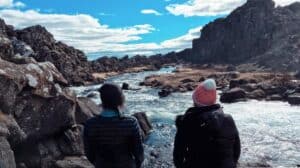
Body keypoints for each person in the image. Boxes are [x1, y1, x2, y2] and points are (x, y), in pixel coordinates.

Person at [173, 79, 241, 168]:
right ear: (213, 100)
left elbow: (178, 155)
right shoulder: (228, 119)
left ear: (195, 102)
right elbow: (236, 150)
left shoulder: (187, 122)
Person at [83, 83, 144, 168]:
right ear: (121, 100)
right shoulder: (131, 122)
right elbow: (139, 154)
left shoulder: (90, 124)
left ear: (102, 100)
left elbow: (89, 154)